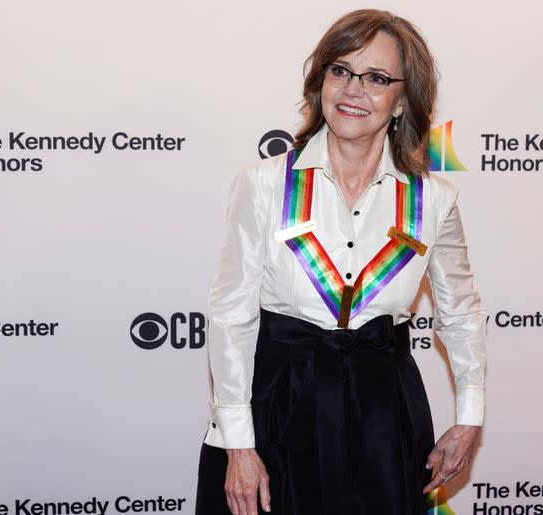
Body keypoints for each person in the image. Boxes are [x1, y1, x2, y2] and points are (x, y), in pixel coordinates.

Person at [195, 9, 486, 515]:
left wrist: (469, 415)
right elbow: (231, 316)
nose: (354, 89)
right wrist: (238, 445)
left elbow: (460, 312)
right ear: (321, 81)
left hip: (384, 417)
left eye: (376, 78)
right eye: (341, 70)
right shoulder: (262, 183)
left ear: (401, 102)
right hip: (277, 406)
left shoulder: (434, 199)